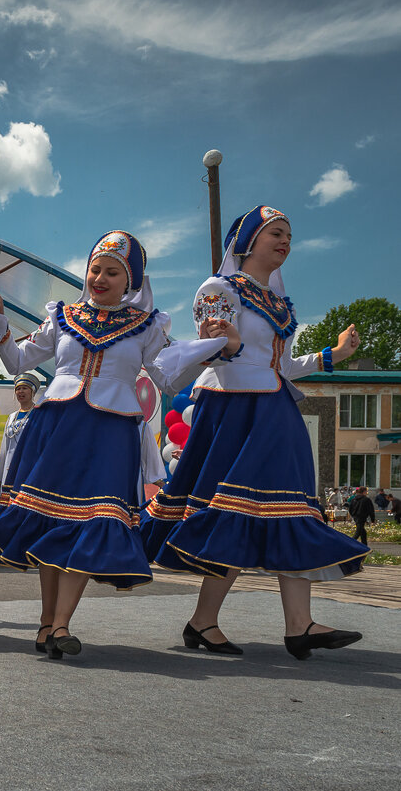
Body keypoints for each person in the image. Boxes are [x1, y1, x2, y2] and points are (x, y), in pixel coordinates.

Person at [0, 231, 232, 657]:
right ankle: (46, 625)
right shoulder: (61, 316)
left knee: (93, 519)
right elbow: (19, 361)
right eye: (96, 268)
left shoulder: (147, 326)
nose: (101, 277)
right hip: (56, 427)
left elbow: (167, 377)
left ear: (130, 281)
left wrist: (206, 349)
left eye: (113, 272)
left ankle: (60, 625)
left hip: (111, 434)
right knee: (51, 520)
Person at [141, 205, 369, 661]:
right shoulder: (219, 288)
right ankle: (209, 621)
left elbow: (281, 366)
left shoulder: (280, 302)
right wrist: (228, 344)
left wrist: (335, 354)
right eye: (276, 233)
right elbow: (212, 353)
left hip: (276, 409)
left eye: (289, 235)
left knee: (288, 513)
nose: (285, 241)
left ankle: (296, 624)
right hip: (237, 411)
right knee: (236, 513)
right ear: (246, 240)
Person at [0, 373, 40, 492]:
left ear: (32, 392)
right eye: (18, 389)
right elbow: (4, 447)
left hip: (28, 466)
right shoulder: (11, 417)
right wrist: (0, 475)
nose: (21, 392)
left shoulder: (38, 414)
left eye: (25, 388)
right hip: (8, 467)